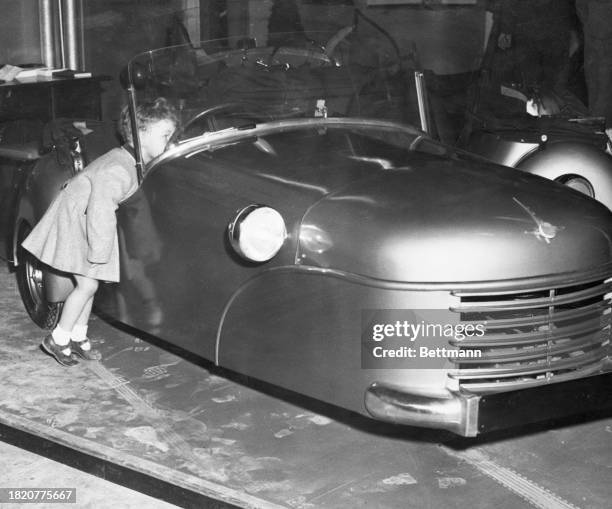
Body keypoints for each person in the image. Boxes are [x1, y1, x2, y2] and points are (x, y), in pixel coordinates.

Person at [22, 97, 178, 367]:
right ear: (141, 135)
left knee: (90, 285)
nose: (170, 142)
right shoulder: (119, 168)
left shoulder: (129, 162)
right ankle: (57, 339)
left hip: (85, 222)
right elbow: (100, 210)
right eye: (165, 135)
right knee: (88, 284)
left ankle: (78, 337)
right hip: (75, 223)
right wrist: (100, 251)